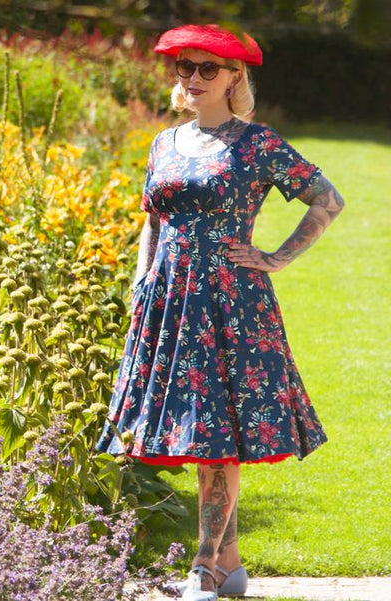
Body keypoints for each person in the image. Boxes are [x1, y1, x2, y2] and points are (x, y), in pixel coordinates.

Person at [95, 23, 345, 601]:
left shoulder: (256, 144)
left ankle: (205, 566)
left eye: (210, 68)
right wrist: (141, 283)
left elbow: (326, 199)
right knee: (198, 426)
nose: (195, 78)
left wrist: (276, 257)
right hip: (169, 300)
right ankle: (229, 566)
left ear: (236, 77)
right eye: (186, 67)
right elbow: (152, 221)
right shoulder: (164, 143)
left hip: (232, 302)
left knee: (216, 432)